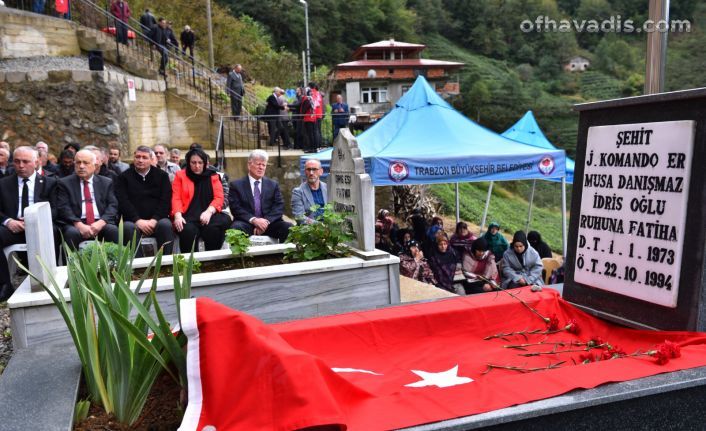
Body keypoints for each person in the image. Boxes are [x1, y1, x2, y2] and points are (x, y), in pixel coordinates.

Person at [0, 146, 58, 301]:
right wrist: (8, 221)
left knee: (56, 231)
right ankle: (5, 285)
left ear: (37, 162)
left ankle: (54, 277)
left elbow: (56, 209)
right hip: (14, 228)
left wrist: (35, 219)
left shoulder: (49, 183)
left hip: (39, 226)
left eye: (25, 161)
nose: (20, 166)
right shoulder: (3, 184)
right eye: (17, 161)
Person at [56, 150, 124, 250]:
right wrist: (79, 225)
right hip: (76, 223)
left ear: (94, 165)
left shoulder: (106, 182)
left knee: (112, 230)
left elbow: (113, 205)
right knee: (71, 233)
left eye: (86, 163)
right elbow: (63, 207)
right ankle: (73, 265)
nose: (81, 166)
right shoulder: (65, 183)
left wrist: (101, 223)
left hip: (100, 222)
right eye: (78, 162)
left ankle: (114, 265)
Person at [116, 146, 174, 255]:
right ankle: (138, 266)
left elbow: (165, 201)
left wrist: (154, 220)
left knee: (166, 225)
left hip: (157, 220)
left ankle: (166, 263)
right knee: (127, 227)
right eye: (138, 157)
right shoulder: (123, 177)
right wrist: (137, 220)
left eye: (144, 157)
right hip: (133, 221)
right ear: (134, 158)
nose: (140, 160)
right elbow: (123, 202)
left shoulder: (162, 176)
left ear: (151, 159)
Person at [171, 148, 230, 251]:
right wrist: (178, 216)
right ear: (188, 163)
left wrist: (209, 211)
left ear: (205, 163)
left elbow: (219, 197)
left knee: (213, 228)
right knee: (187, 230)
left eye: (200, 162)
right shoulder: (180, 175)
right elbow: (176, 198)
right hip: (188, 215)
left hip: (210, 214)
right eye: (193, 163)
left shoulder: (213, 176)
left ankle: (211, 260)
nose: (197, 166)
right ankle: (190, 262)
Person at [229, 150, 292, 243]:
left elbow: (279, 206)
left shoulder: (273, 185)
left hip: (269, 223)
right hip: (247, 222)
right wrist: (254, 220)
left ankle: (284, 256)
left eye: (264, 165)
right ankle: (241, 257)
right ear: (249, 165)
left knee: (288, 227)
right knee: (236, 229)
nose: (261, 168)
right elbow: (236, 208)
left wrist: (265, 222)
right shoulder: (236, 185)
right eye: (258, 164)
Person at [291, 159, 327, 224]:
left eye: (314, 169)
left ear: (321, 171)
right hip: (310, 230)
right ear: (305, 172)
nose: (311, 173)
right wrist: (321, 226)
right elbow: (299, 217)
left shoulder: (328, 188)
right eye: (308, 169)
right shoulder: (298, 192)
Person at [299, 88, 317, 153]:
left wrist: (301, 115)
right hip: (312, 118)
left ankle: (311, 148)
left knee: (309, 134)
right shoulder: (311, 98)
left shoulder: (307, 99)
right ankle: (314, 148)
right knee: (312, 133)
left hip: (308, 118)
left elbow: (305, 108)